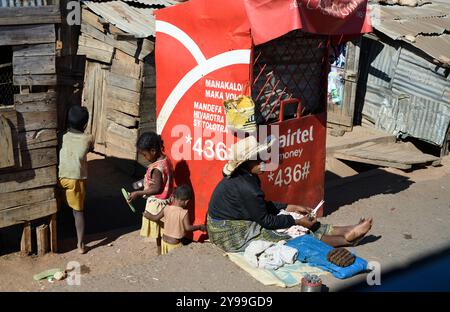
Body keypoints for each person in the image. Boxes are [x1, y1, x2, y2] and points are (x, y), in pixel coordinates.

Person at [207, 135, 373, 253]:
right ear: (244, 164)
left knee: (287, 215)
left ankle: (345, 229)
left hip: (238, 218)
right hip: (227, 233)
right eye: (256, 159)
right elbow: (265, 220)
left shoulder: (248, 178)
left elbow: (260, 205)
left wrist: (288, 206)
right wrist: (296, 221)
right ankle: (345, 240)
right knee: (284, 232)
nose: (262, 161)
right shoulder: (246, 186)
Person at [128, 132, 174, 253]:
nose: (144, 157)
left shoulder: (156, 169)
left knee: (159, 232)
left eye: (144, 154)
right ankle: (162, 253)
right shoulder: (166, 160)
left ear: (153, 151)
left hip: (158, 204)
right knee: (162, 231)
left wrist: (138, 193)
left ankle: (161, 253)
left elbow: (157, 188)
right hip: (167, 201)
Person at [58, 106, 93, 254]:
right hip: (76, 179)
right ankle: (80, 244)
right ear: (85, 124)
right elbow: (89, 149)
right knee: (78, 212)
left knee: (59, 205)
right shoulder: (88, 138)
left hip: (61, 177)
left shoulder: (62, 136)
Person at [143, 184, 206, 254]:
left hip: (163, 242)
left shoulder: (166, 208)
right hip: (174, 245)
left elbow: (155, 218)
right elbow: (188, 228)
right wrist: (199, 227)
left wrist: (147, 215)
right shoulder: (184, 212)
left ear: (173, 197)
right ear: (186, 201)